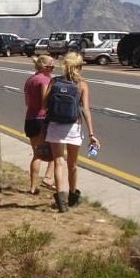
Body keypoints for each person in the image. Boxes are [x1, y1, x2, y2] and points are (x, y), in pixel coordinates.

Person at [42, 52, 101, 212]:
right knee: (72, 164)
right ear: (79, 67)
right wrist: (91, 134)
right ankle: (73, 196)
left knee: (58, 163)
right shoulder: (81, 85)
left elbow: (44, 104)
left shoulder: (54, 82)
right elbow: (86, 110)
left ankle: (61, 201)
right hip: (73, 127)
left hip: (55, 126)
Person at [23, 55, 56, 195]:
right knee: (56, 152)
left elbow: (27, 102)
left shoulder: (30, 80)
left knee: (37, 154)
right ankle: (49, 178)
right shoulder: (45, 80)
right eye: (51, 66)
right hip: (42, 119)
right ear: (44, 67)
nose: (53, 69)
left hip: (30, 119)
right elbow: (45, 102)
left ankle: (33, 186)